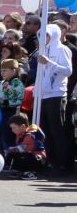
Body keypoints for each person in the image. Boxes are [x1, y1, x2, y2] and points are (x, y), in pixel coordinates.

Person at [36, 23, 73, 174]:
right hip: (43, 95)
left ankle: (62, 164)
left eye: (47, 35)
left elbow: (68, 70)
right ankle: (49, 161)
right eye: (42, 35)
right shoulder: (42, 50)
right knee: (44, 131)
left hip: (56, 95)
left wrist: (49, 63)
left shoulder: (62, 49)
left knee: (57, 130)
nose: (44, 38)